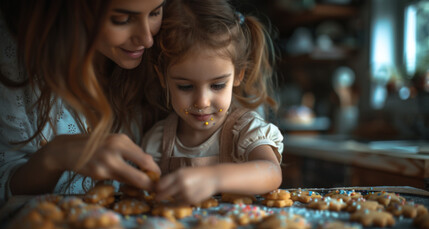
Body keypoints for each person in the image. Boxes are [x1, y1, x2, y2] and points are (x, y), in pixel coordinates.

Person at [0, 0, 167, 203]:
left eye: (155, 12)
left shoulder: (166, 50)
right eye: (121, 19)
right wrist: (54, 156)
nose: (147, 39)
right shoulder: (13, 59)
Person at [141, 0, 284, 205]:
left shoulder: (244, 129)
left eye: (217, 85)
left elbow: (271, 173)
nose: (202, 101)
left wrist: (214, 178)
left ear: (238, 75)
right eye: (185, 87)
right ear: (163, 77)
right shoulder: (158, 140)